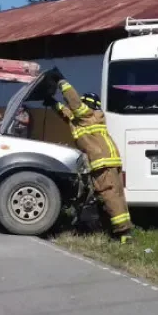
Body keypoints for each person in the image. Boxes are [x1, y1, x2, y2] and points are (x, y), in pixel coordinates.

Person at [44, 70, 134, 244]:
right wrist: (52, 102)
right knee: (113, 195)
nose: (72, 108)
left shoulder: (88, 116)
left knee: (110, 195)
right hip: (107, 161)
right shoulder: (82, 120)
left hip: (103, 162)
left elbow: (75, 104)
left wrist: (62, 82)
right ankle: (112, 228)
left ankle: (124, 234)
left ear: (88, 105)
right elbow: (66, 114)